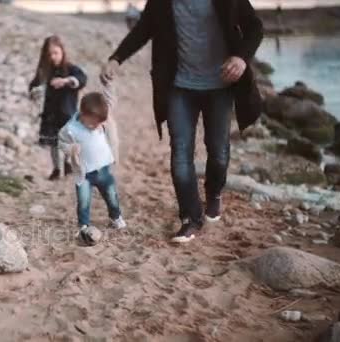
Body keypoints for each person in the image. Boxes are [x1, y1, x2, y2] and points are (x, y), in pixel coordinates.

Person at [101, 0, 263, 243]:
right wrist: (116, 58)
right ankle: (190, 218)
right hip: (179, 87)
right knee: (180, 152)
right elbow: (144, 29)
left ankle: (214, 192)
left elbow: (255, 27)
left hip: (220, 86)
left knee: (218, 152)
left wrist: (241, 58)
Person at [59, 78, 126, 245]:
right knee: (84, 200)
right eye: (92, 123)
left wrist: (109, 84)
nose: (96, 127)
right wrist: (70, 149)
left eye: (99, 124)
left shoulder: (100, 119)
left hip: (104, 169)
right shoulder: (70, 128)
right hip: (84, 173)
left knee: (111, 196)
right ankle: (83, 225)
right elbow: (61, 142)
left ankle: (115, 216)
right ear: (83, 114)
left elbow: (110, 101)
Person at [29, 35, 88, 181]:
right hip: (50, 114)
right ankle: (57, 168)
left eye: (55, 53)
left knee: (67, 142)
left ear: (62, 51)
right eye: (49, 54)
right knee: (53, 143)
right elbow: (34, 85)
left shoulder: (71, 69)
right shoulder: (45, 72)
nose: (52, 57)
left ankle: (67, 163)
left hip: (66, 113)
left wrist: (67, 81)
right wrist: (35, 91)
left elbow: (82, 79)